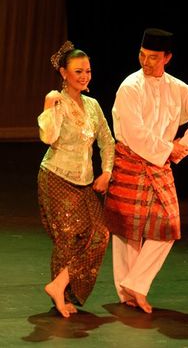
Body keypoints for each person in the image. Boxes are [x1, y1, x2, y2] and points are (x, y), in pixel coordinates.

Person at [104, 28, 188, 314]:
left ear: (167, 58)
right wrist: (169, 149)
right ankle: (126, 293)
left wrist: (182, 147)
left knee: (168, 225)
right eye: (142, 55)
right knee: (128, 229)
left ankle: (136, 283)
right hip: (131, 159)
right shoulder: (130, 86)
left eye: (153, 57)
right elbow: (135, 133)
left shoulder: (179, 88)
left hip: (159, 163)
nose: (146, 62)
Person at [37, 41, 115, 318]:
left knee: (100, 235)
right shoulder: (57, 101)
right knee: (68, 238)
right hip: (56, 176)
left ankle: (59, 285)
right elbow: (48, 137)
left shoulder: (93, 105)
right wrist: (48, 105)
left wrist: (106, 172)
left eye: (88, 71)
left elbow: (107, 141)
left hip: (85, 180)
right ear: (64, 73)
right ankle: (62, 296)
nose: (84, 76)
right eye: (78, 71)